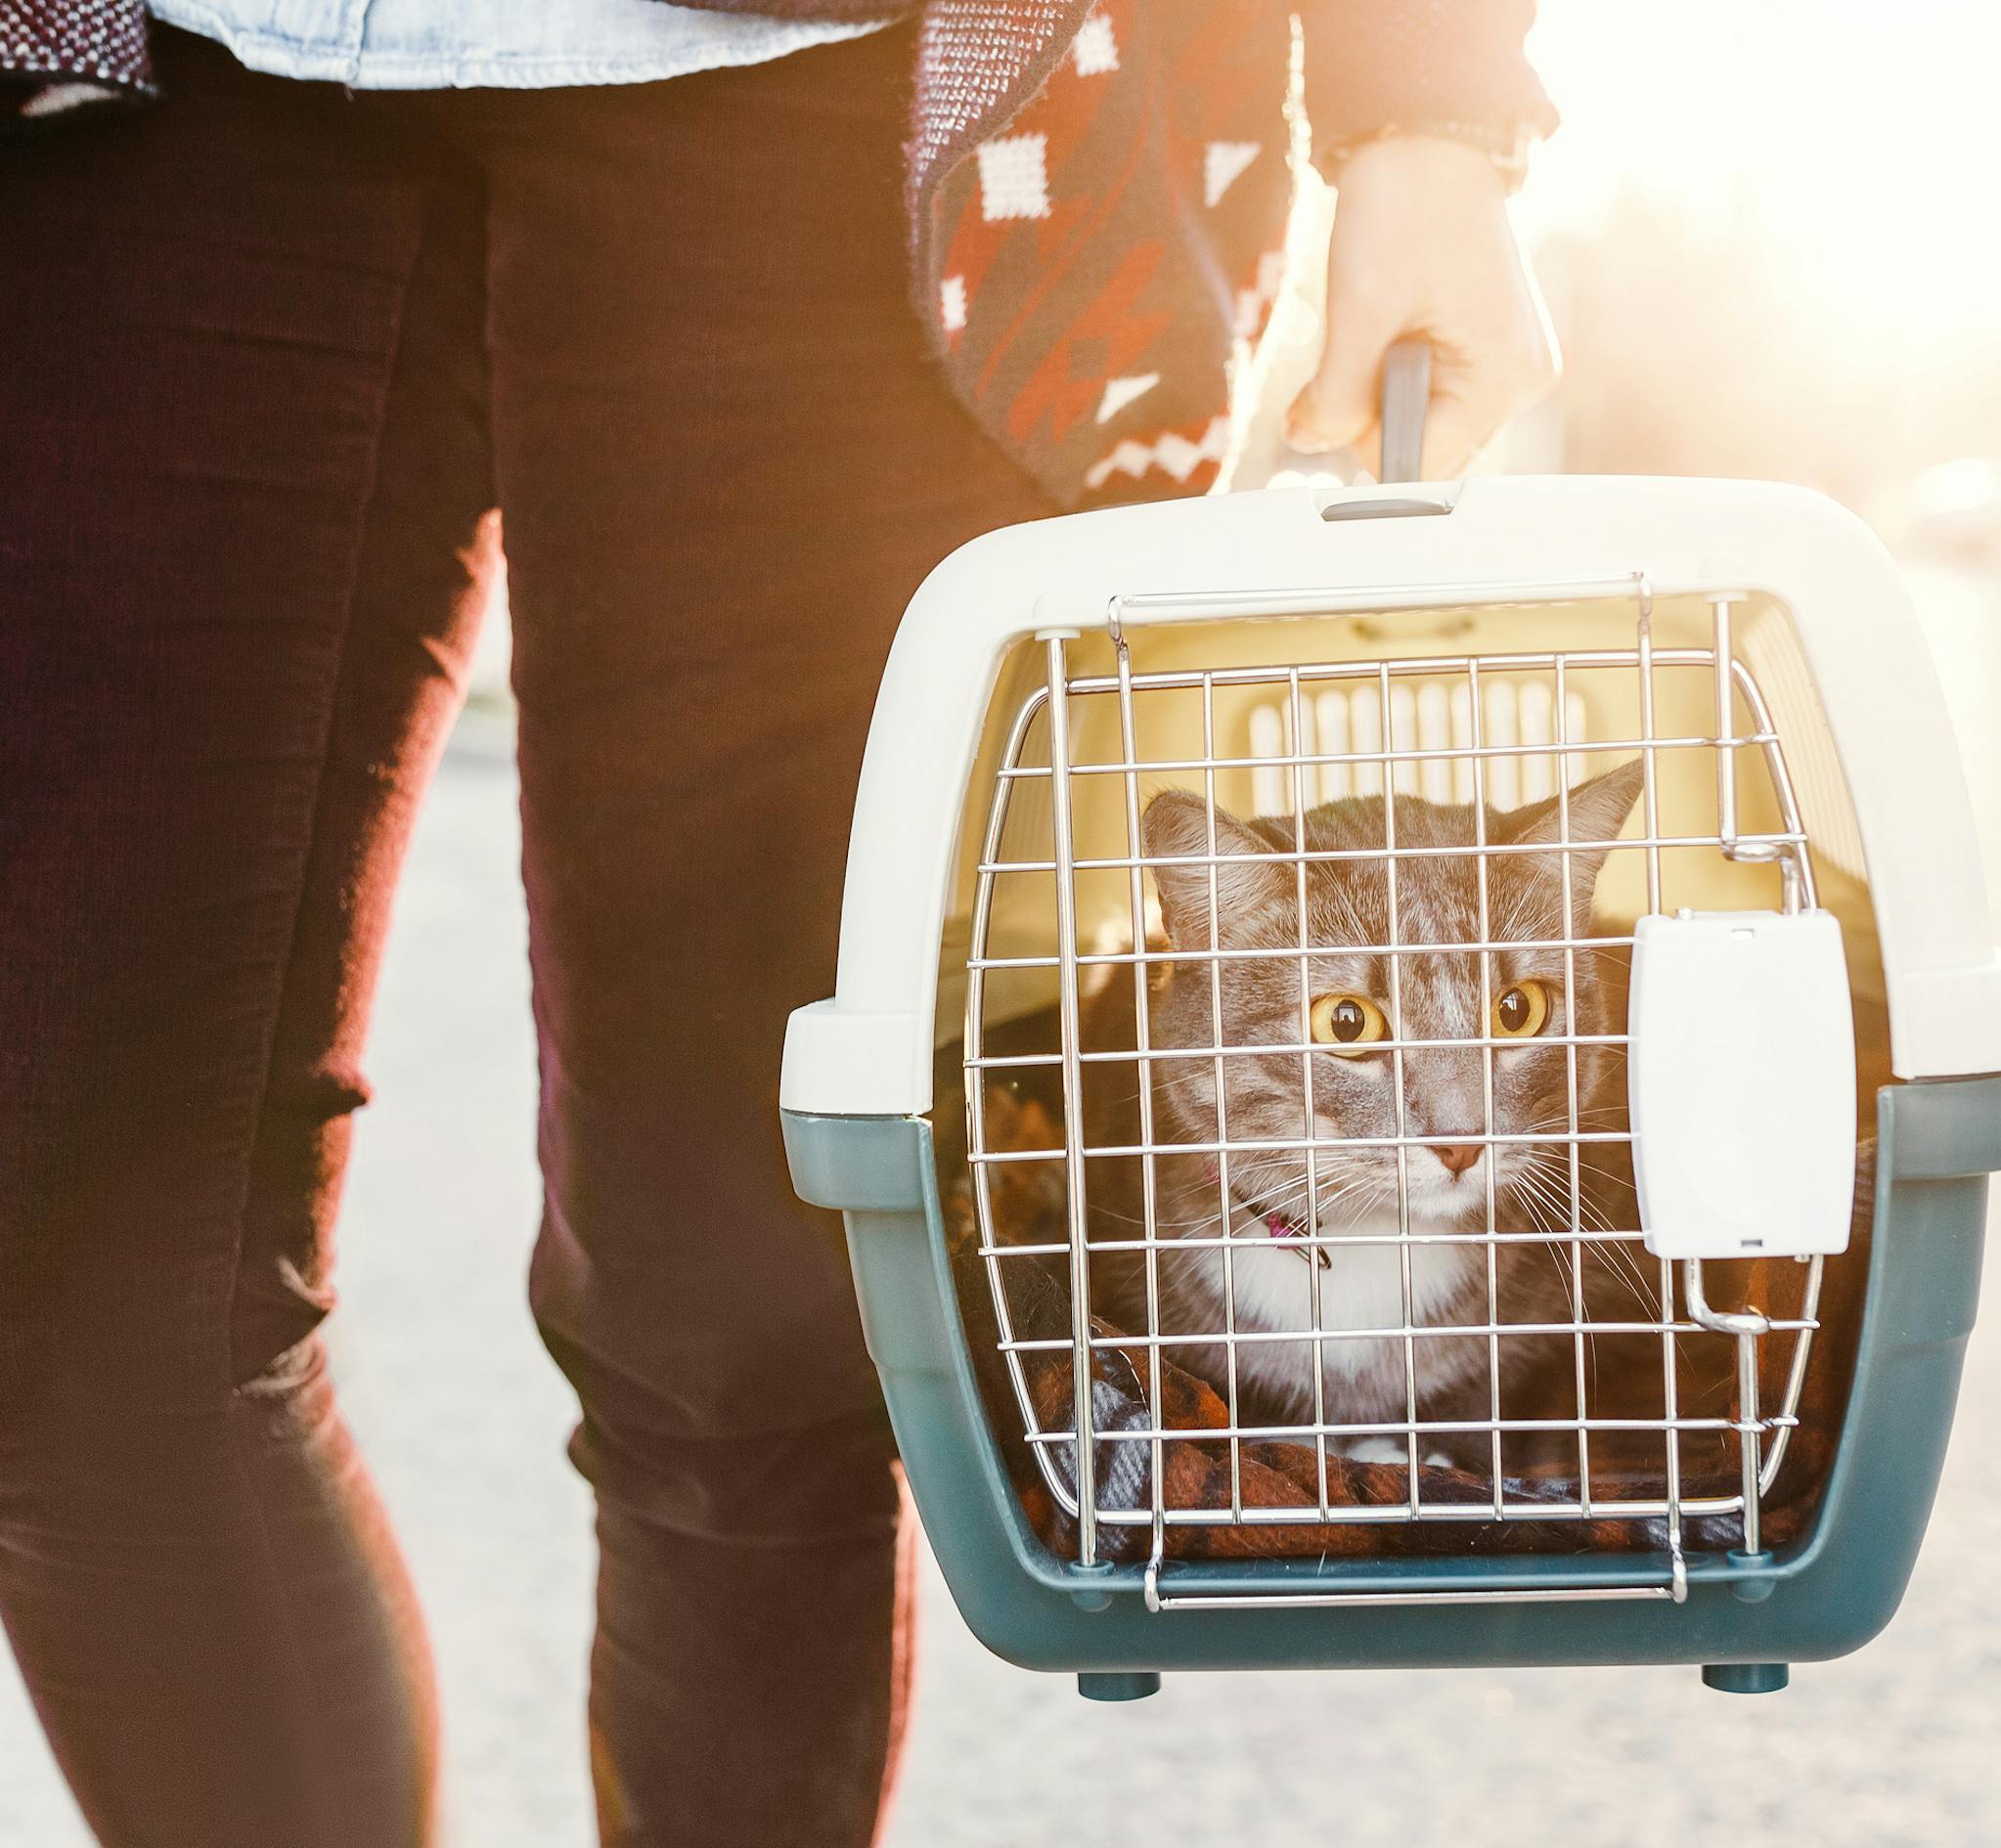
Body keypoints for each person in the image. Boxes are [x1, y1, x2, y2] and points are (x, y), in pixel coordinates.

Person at [0, 3, 1558, 1843]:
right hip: (162, 72)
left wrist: (1427, 110)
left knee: (742, 1308)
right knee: (74, 1293)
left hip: (831, 98)